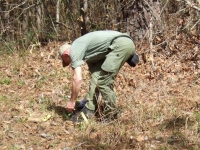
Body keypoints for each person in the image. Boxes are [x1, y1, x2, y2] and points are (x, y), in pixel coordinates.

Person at [59, 30, 137, 121]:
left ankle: (111, 114)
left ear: (65, 55)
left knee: (104, 82)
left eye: (67, 62)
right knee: (97, 79)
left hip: (120, 44)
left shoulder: (74, 50)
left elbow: (77, 79)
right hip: (121, 43)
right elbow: (95, 78)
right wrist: (87, 103)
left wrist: (72, 101)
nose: (70, 63)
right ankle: (89, 110)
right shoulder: (88, 52)